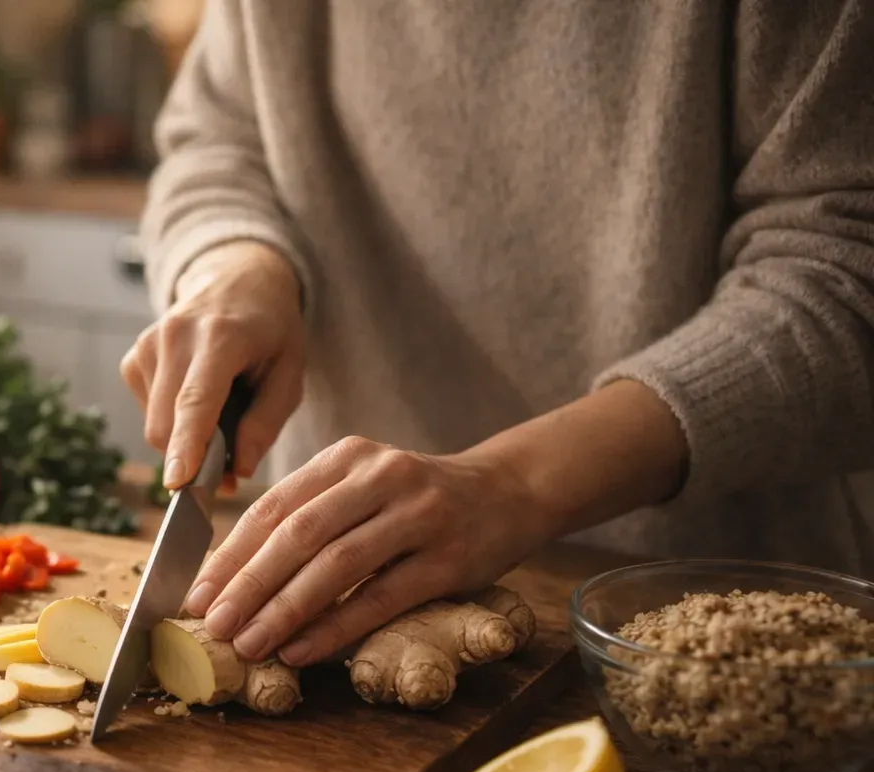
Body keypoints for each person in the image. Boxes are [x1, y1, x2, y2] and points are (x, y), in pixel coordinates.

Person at [125, 1, 874, 669]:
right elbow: (215, 142)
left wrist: (514, 485)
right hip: (325, 607)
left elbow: (846, 269)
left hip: (708, 649)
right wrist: (235, 263)